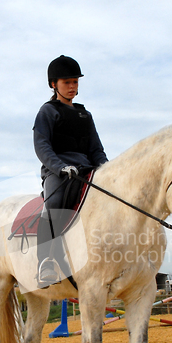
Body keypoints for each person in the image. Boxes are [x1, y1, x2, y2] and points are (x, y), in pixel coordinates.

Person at [33, 55, 108, 287]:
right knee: (54, 205)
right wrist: (60, 167)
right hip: (59, 172)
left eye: (75, 82)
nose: (73, 87)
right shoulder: (48, 111)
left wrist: (107, 169)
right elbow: (42, 145)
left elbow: (96, 148)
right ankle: (46, 260)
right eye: (67, 82)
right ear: (53, 84)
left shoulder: (85, 115)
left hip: (87, 170)